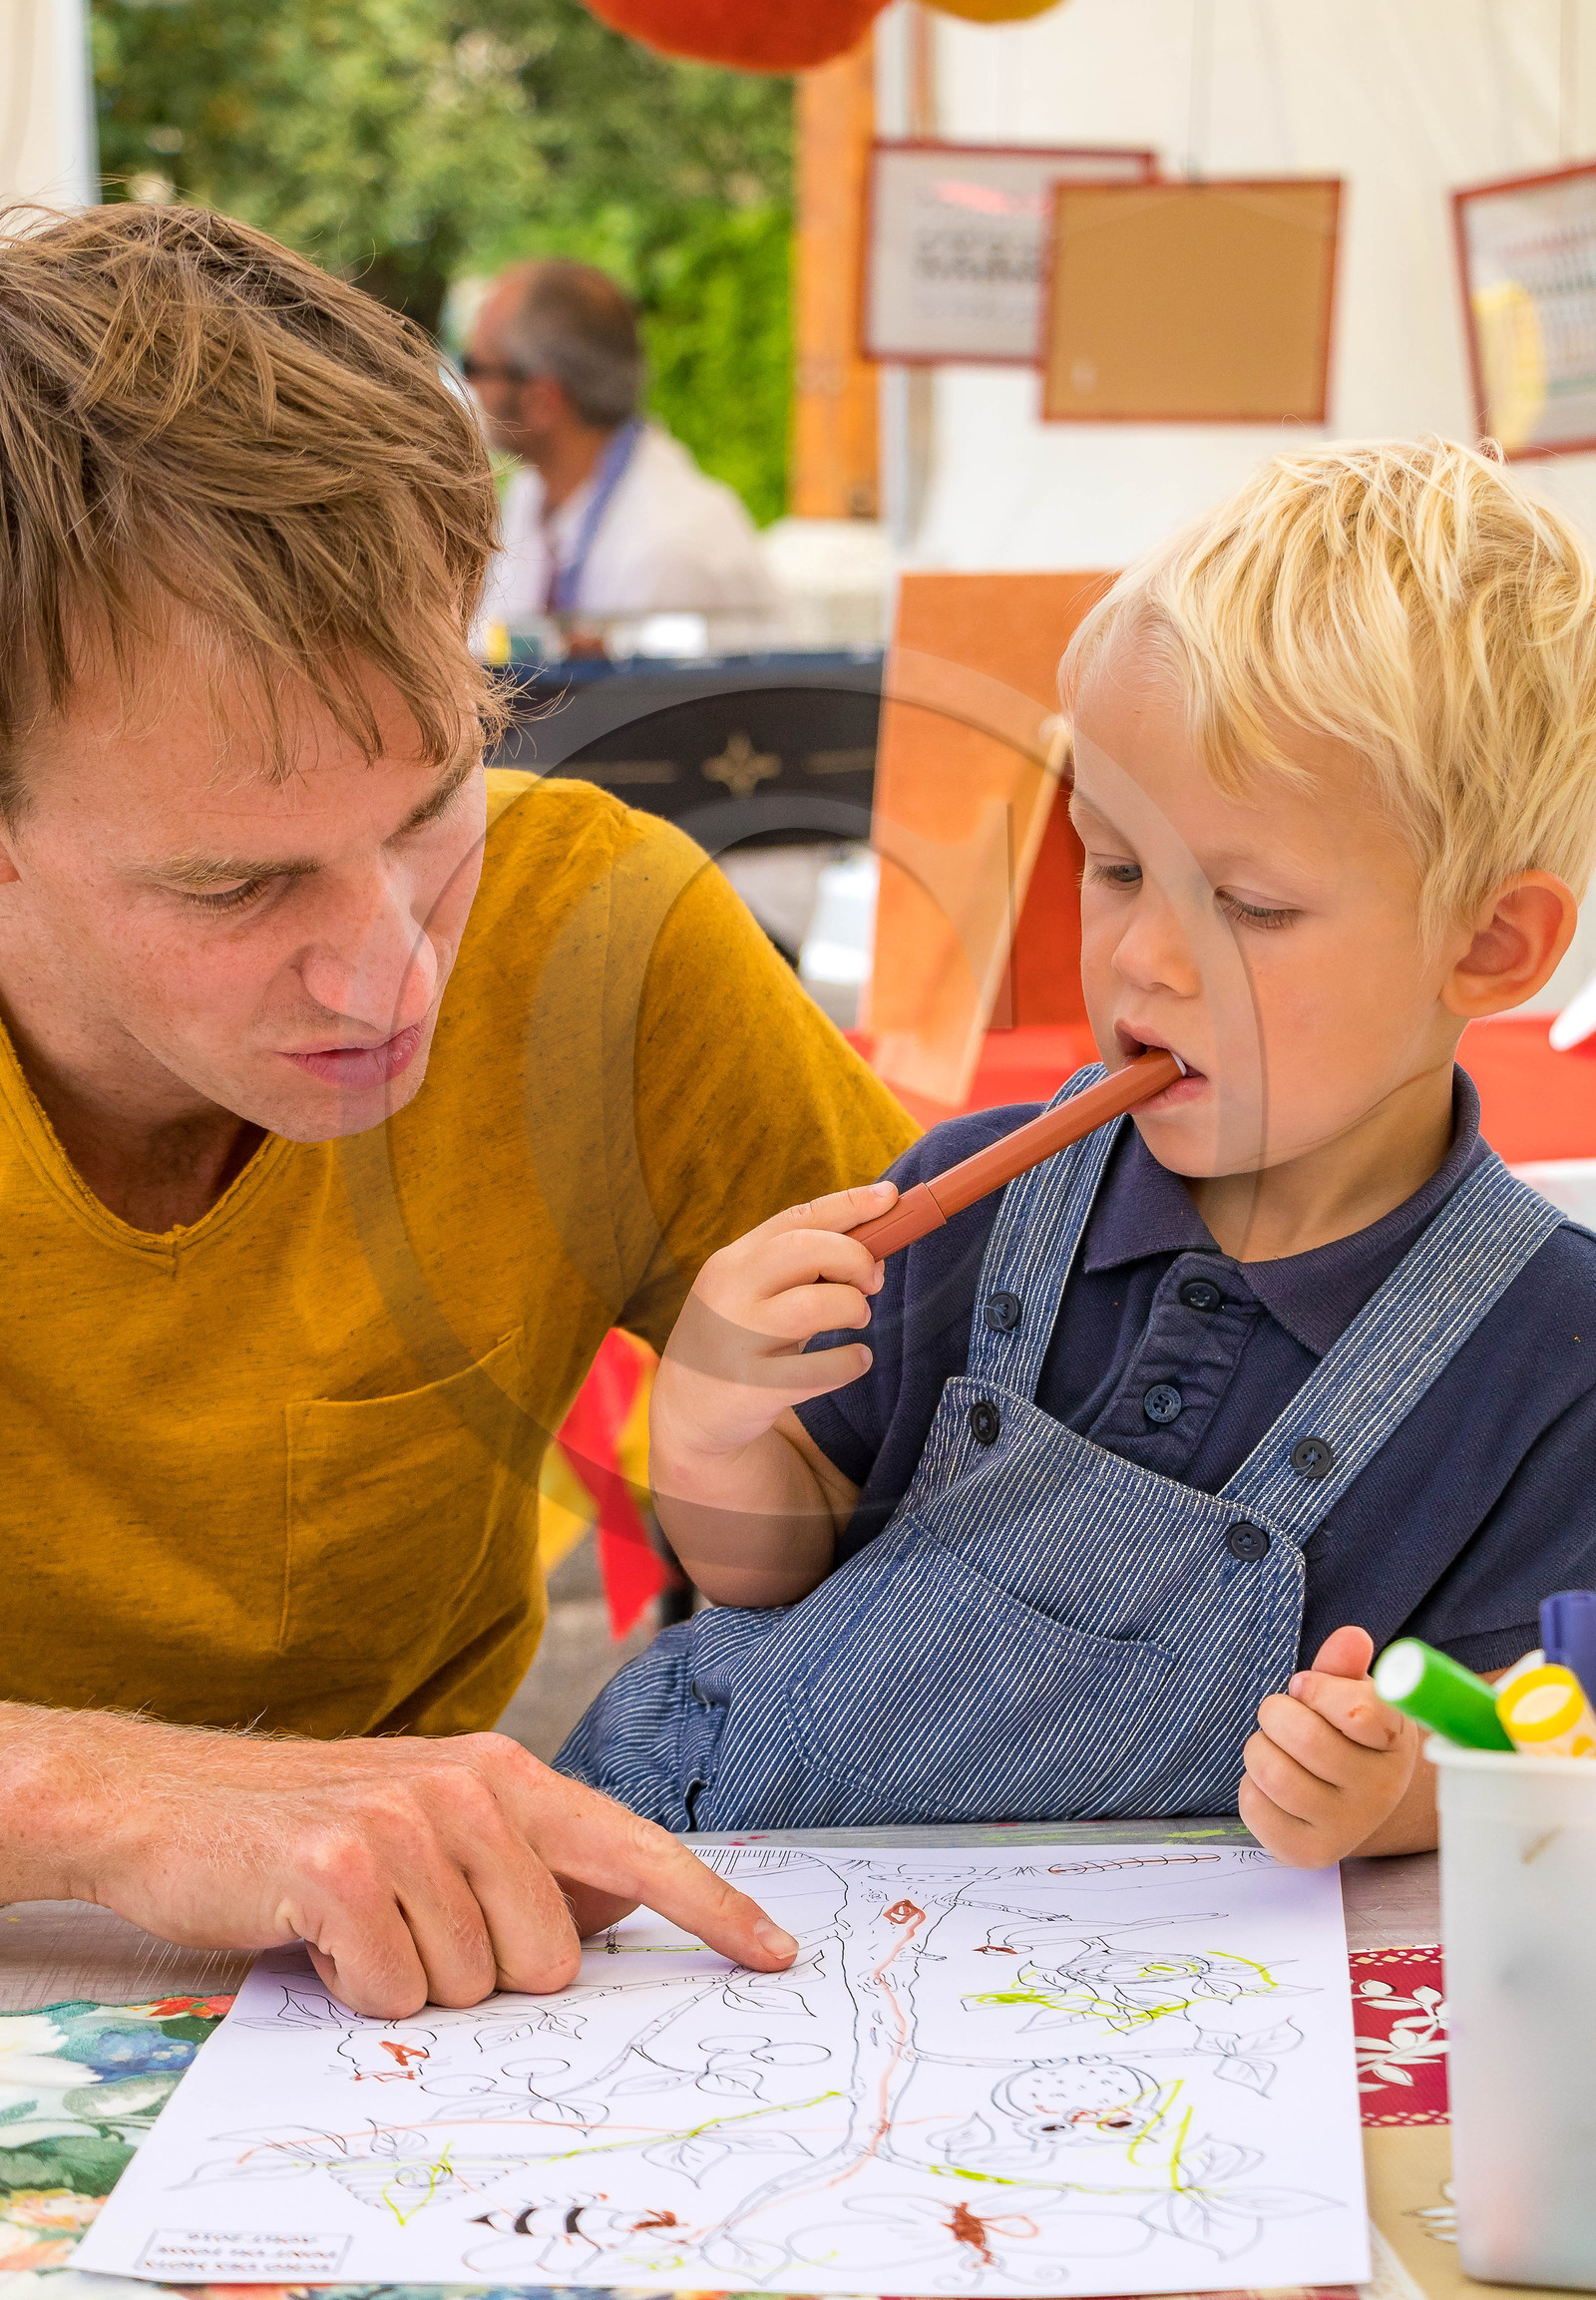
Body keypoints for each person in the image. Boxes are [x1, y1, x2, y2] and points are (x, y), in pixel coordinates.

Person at [0, 203, 918, 2014]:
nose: (392, 976)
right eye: (232, 888)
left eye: (433, 807)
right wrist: (84, 1796)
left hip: (412, 2014)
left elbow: (1046, 1424)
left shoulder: (602, 932)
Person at [559, 436, 1596, 1865]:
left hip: (1120, 2023)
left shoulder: (1550, 1356)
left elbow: (1543, 1743)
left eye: (1248, 904)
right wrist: (712, 1424)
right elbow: (766, 1568)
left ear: (1490, 945)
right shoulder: (975, 1201)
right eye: (1114, 866)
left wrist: (1399, 1793)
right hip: (691, 1863)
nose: (1144, 960)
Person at [462, 258, 777, 638]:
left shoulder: (673, 550)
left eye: (474, 366)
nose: (468, 388)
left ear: (542, 400)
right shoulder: (533, 497)